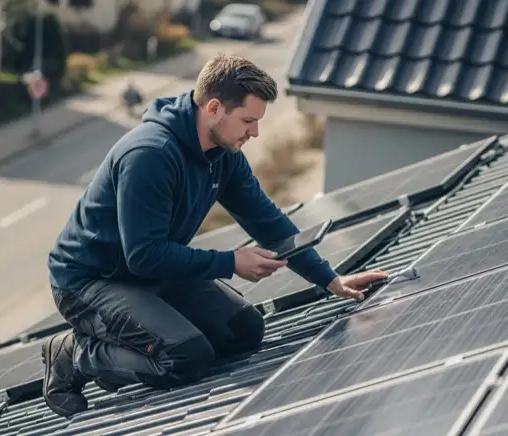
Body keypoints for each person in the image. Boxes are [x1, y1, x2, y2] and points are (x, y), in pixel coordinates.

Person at [41, 53, 388, 417]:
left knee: (245, 332)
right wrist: (230, 262)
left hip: (148, 273)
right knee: (185, 357)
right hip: (90, 283)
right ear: (214, 107)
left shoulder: (223, 154)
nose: (254, 132)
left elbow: (266, 220)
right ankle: (74, 356)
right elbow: (142, 255)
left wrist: (330, 280)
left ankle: (132, 336)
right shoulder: (150, 155)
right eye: (248, 121)